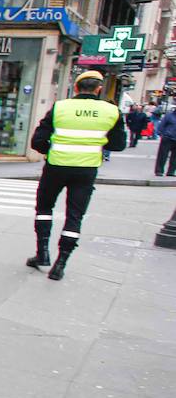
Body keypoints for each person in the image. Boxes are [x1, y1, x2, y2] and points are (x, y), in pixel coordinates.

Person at [25, 70, 126, 280]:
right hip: (86, 170)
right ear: (98, 89)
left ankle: (42, 252)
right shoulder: (111, 111)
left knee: (44, 207)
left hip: (56, 166)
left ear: (77, 88)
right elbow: (118, 144)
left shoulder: (61, 107)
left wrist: (51, 150)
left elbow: (38, 141)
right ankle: (61, 263)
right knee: (74, 215)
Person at [156, 106, 176, 176]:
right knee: (163, 155)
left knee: (174, 158)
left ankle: (171, 172)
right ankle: (159, 171)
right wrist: (161, 134)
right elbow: (162, 125)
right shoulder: (169, 116)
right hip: (167, 138)